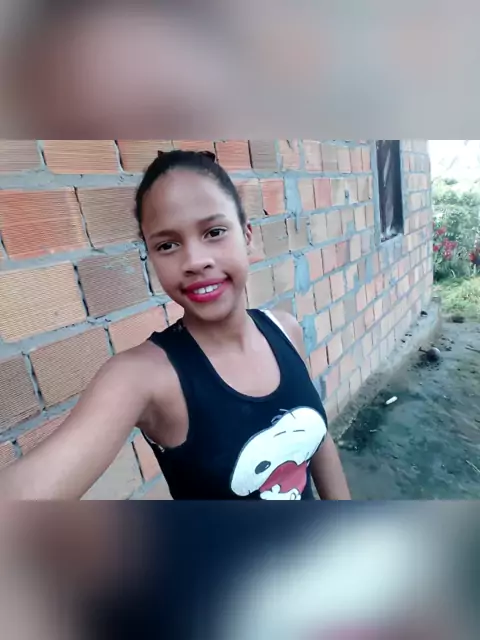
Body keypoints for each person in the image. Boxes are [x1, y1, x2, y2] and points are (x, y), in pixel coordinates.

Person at [0, 150, 350, 500]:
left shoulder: (285, 330)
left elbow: (317, 440)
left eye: (214, 232)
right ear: (151, 257)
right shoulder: (143, 377)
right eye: (167, 245)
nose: (195, 261)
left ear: (247, 236)